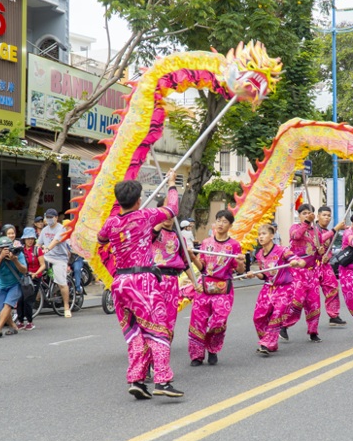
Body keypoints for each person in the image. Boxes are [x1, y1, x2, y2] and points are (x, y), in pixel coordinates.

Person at [98, 170, 184, 399]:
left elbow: (101, 240)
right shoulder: (145, 216)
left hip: (120, 282)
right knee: (159, 332)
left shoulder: (111, 223)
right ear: (138, 200)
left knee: (135, 333)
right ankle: (163, 381)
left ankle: (136, 379)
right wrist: (172, 184)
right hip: (142, 281)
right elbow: (172, 209)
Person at [188, 209, 245, 366]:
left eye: (225, 221)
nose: (220, 224)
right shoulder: (206, 243)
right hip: (205, 287)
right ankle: (196, 355)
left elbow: (240, 270)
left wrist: (240, 261)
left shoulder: (234, 245)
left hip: (223, 289)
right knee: (198, 321)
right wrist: (193, 257)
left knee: (219, 321)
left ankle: (212, 349)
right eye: (218, 220)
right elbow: (202, 267)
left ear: (230, 225)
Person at [248, 224, 306, 355]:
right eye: (259, 234)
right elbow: (264, 275)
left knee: (277, 315)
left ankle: (267, 344)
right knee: (258, 317)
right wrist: (255, 273)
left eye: (264, 234)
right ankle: (268, 342)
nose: (261, 237)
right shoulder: (259, 254)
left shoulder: (282, 250)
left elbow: (300, 262)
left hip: (284, 289)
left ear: (272, 236)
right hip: (268, 288)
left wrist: (296, 262)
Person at [153, 200, 201, 343]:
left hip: (172, 282)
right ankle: (152, 347)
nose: (167, 217)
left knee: (169, 317)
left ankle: (164, 345)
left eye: (170, 213)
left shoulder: (179, 237)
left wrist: (194, 282)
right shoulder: (151, 233)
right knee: (153, 316)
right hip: (153, 280)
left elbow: (186, 263)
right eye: (164, 212)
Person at [281, 203, 325, 342]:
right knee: (297, 301)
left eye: (309, 213)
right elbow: (296, 237)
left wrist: (321, 253)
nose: (307, 215)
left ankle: (313, 331)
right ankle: (284, 325)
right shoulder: (295, 228)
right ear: (299, 215)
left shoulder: (317, 232)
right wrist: (306, 223)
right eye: (304, 213)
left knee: (314, 302)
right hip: (297, 271)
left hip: (312, 272)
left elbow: (318, 254)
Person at [0, 236, 27, 337]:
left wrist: (15, 260)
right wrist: (1, 257)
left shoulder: (19, 254)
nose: (5, 250)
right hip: (1, 285)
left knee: (7, 305)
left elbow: (24, 270)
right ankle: (14, 327)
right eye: (2, 248)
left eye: (7, 247)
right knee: (3, 310)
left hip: (15, 284)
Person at [315, 206, 347, 326]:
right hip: (312, 266)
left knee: (333, 288)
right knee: (305, 296)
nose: (327, 218)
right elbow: (319, 239)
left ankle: (333, 315)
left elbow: (329, 249)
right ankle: (284, 324)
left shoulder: (328, 230)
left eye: (329, 215)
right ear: (318, 216)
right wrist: (335, 229)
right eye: (324, 215)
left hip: (325, 265)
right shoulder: (314, 229)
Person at [38, 209, 72, 318]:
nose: (49, 219)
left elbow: (56, 241)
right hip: (46, 257)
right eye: (47, 217)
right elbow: (38, 244)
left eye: (51, 217)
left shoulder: (61, 229)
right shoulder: (44, 230)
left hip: (59, 258)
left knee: (62, 283)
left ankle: (66, 307)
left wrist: (47, 248)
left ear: (56, 218)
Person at [18, 227, 45, 331]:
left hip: (34, 278)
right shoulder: (21, 250)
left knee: (29, 300)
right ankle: (20, 321)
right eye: (28, 238)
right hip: (23, 277)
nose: (30, 241)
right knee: (20, 300)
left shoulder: (37, 250)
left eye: (31, 238)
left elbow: (43, 265)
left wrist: (35, 273)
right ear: (24, 239)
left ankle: (29, 321)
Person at [62, 219, 84, 296]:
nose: (67, 229)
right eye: (66, 227)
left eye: (69, 227)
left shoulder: (76, 236)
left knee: (77, 269)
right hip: (65, 259)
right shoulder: (62, 237)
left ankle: (78, 288)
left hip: (76, 258)